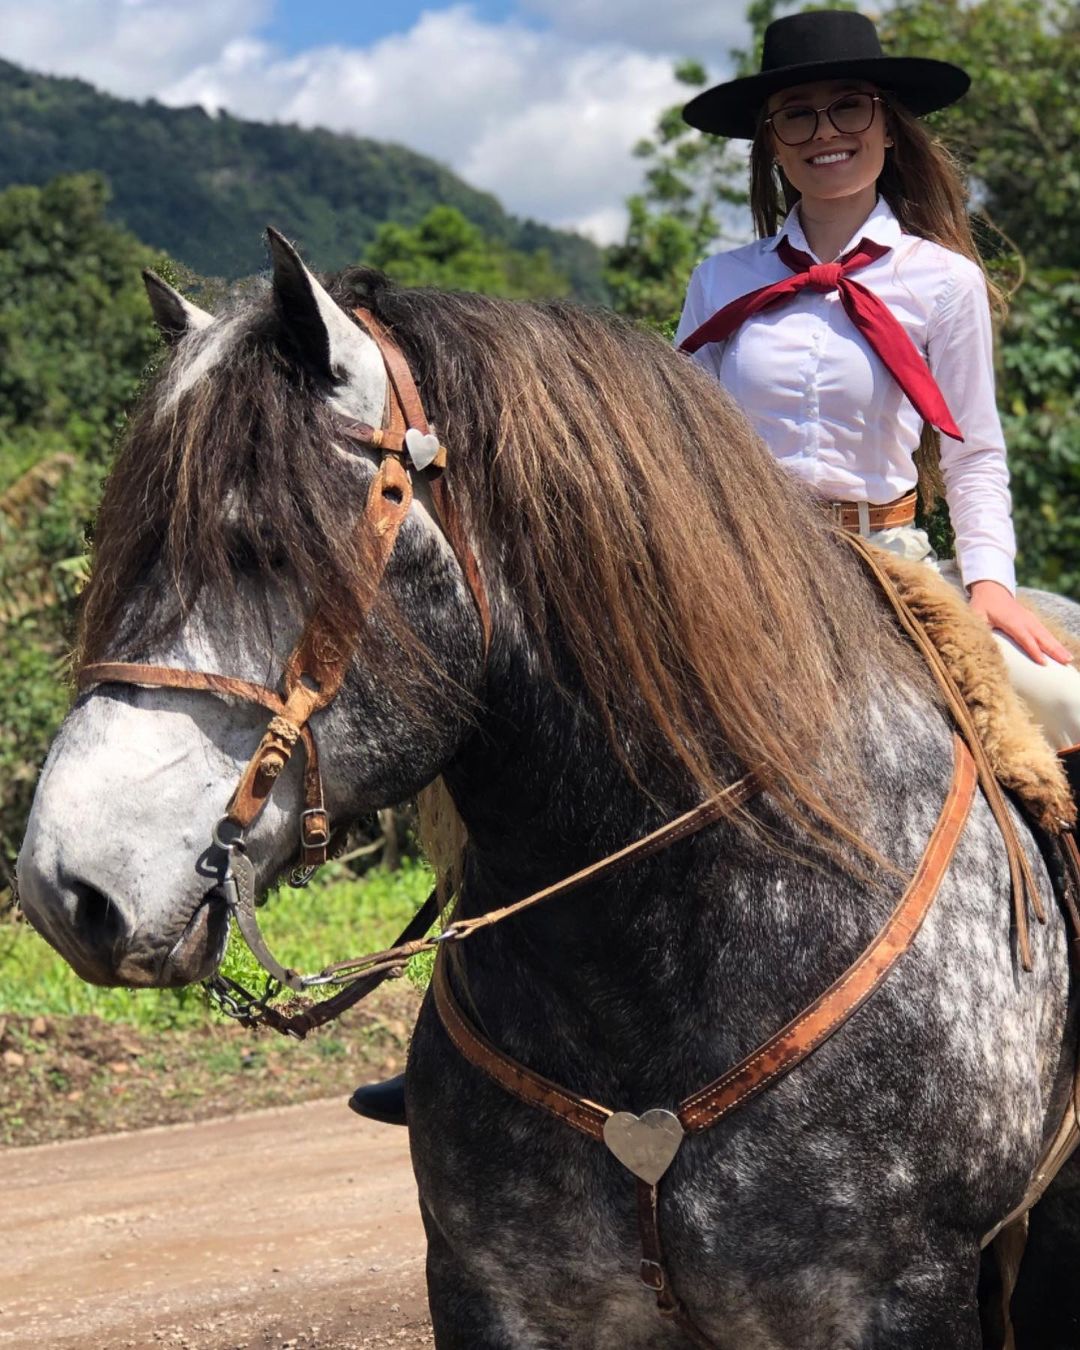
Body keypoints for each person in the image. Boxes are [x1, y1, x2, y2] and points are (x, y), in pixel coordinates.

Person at [350, 10, 1080, 1128]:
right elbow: (686, 445)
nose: (825, 130)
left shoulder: (940, 284)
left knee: (1050, 709)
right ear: (772, 142)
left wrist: (989, 583)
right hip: (737, 570)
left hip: (883, 560)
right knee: (544, 728)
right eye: (800, 114)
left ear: (884, 128)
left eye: (847, 109)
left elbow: (974, 450)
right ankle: (472, 1033)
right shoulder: (720, 279)